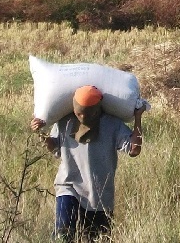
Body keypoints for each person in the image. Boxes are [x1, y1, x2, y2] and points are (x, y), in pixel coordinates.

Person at [30, 85, 144, 242]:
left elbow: (134, 149)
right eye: (79, 113)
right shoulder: (65, 122)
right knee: (63, 235)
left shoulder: (112, 124)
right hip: (68, 187)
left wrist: (138, 117)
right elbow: (55, 147)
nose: (83, 117)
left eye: (89, 113)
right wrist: (41, 133)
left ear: (98, 110)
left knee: (97, 239)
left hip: (99, 197)